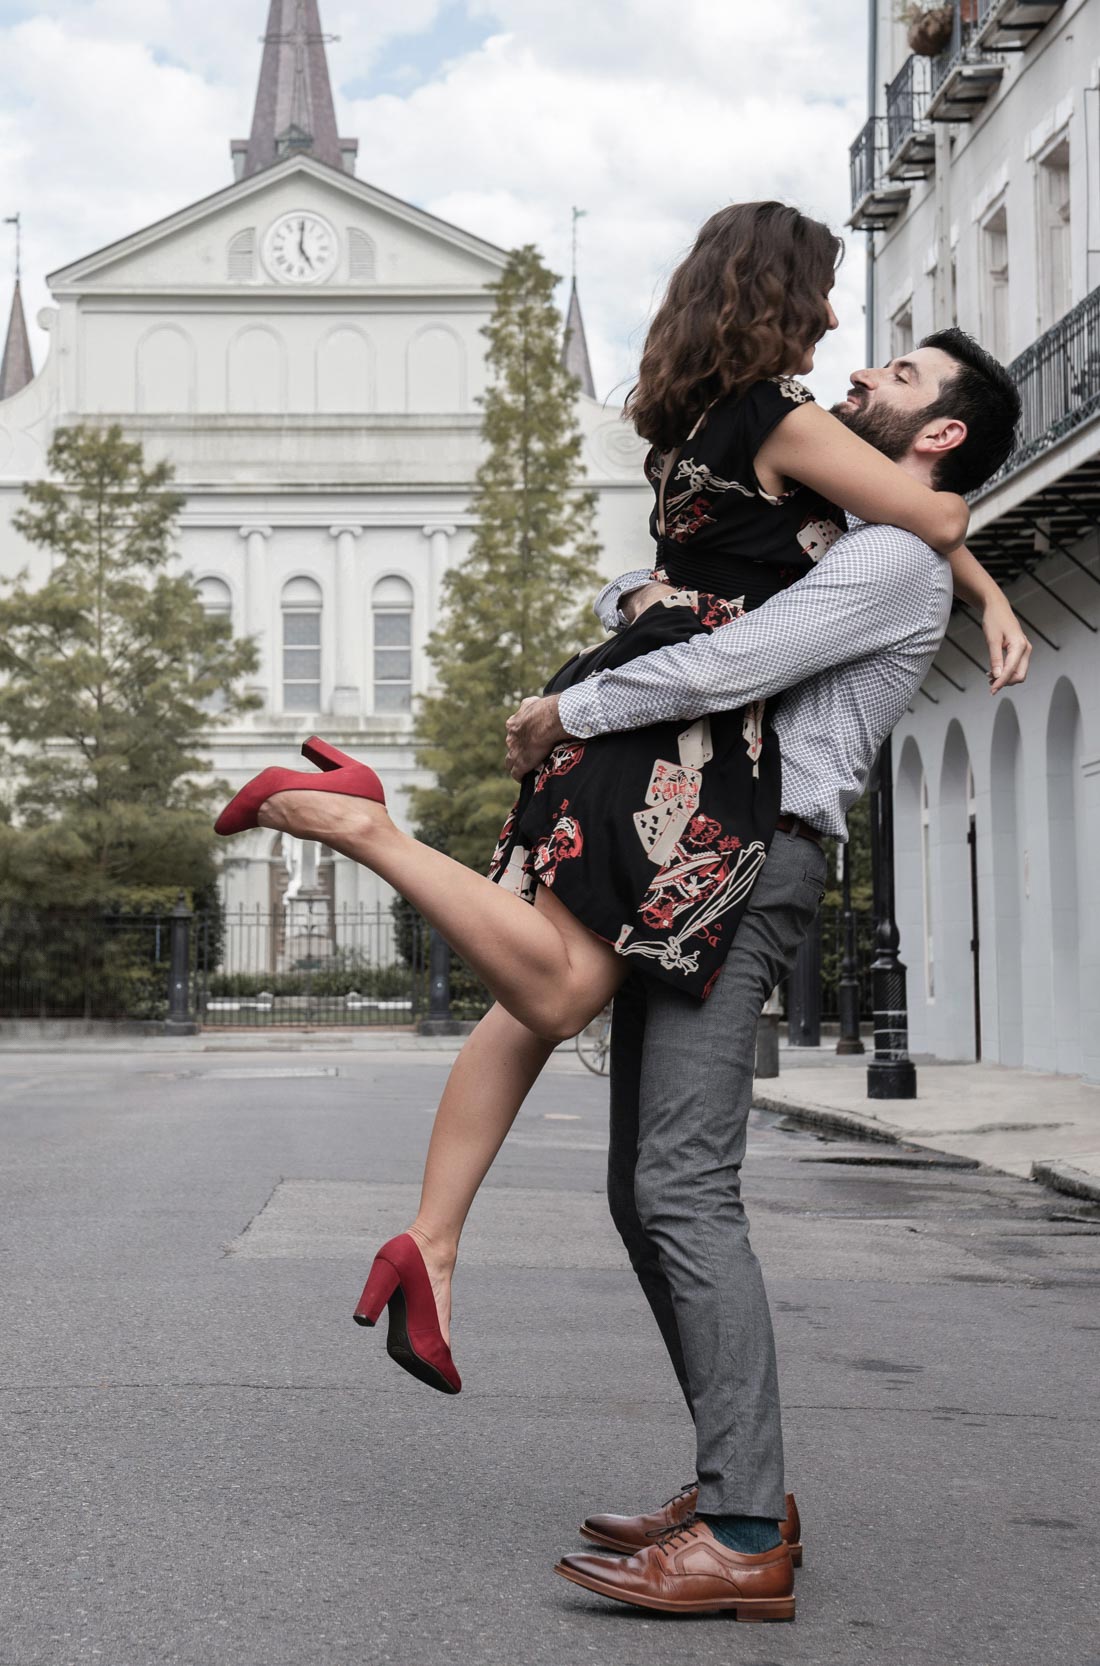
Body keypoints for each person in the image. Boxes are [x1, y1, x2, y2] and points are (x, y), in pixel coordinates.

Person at [213, 205, 1026, 1613]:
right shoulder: (848, 525)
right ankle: (734, 1473)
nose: (858, 370)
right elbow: (694, 591)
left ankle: (743, 1525)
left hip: (752, 864)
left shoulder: (883, 557)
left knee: (681, 1185)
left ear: (942, 432)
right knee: (636, 1187)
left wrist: (574, 701)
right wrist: (979, 577)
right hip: (693, 851)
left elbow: (740, 652)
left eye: (899, 380)